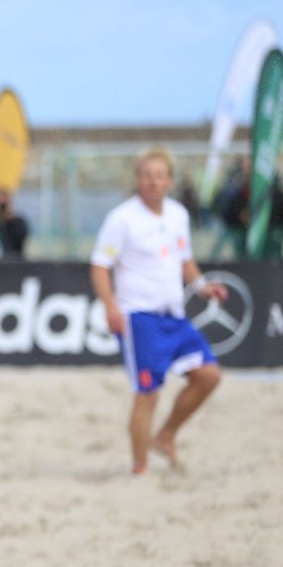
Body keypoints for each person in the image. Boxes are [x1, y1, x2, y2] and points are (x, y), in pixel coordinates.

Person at [90, 147, 227, 476]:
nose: (153, 182)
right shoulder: (122, 218)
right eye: (147, 176)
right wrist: (110, 306)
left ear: (170, 181)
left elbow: (185, 261)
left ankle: (165, 436)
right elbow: (99, 265)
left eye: (160, 176)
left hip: (174, 316)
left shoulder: (178, 215)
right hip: (139, 317)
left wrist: (201, 286)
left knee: (209, 376)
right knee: (147, 394)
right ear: (138, 180)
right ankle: (140, 469)